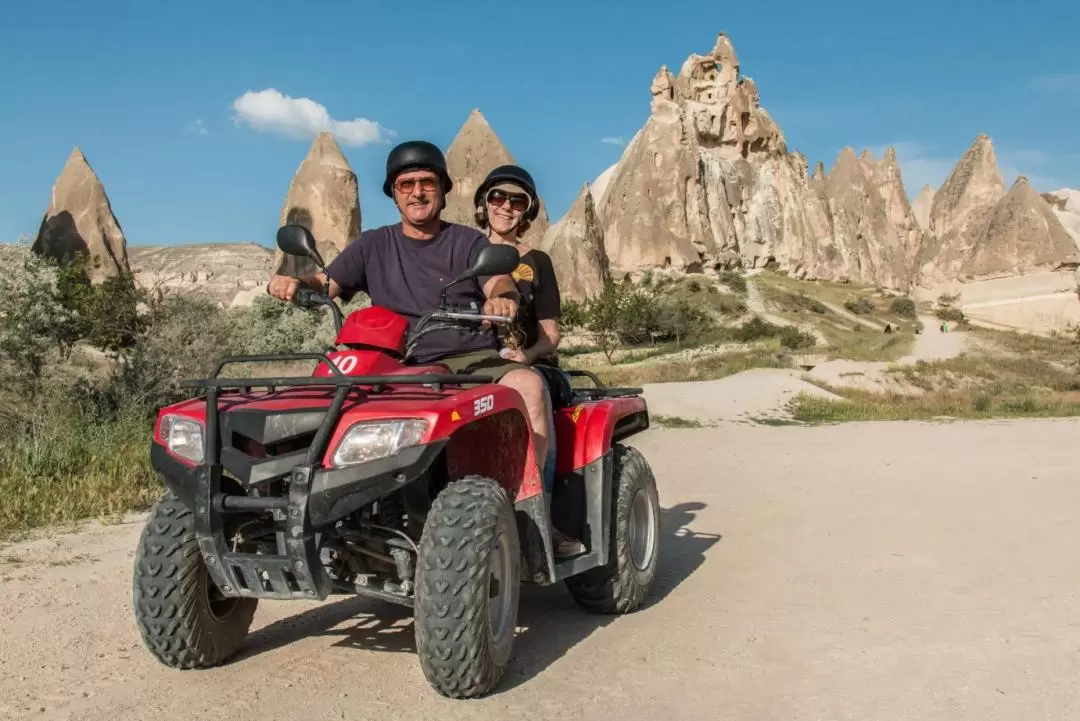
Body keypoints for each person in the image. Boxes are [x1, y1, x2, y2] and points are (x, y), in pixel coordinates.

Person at [266, 140, 583, 557]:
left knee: (527, 386)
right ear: (394, 193)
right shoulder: (372, 245)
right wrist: (295, 283)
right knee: (317, 398)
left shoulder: (468, 243)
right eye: (406, 184)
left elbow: (499, 280)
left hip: (465, 358)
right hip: (392, 361)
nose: (417, 192)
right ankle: (314, 509)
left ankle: (530, 517)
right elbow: (328, 285)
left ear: (442, 189)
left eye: (426, 183)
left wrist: (501, 297)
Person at [472, 165, 583, 556]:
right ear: (484, 204)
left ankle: (540, 521)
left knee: (536, 403)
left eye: (517, 201)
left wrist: (527, 355)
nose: (506, 207)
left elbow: (551, 333)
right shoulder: (467, 252)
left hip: (530, 365)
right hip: (475, 365)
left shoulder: (536, 261)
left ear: (528, 211)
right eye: (498, 198)